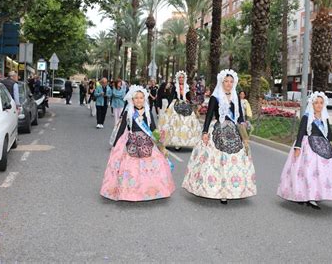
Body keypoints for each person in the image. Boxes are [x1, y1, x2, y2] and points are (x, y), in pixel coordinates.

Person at [182, 69, 257, 204]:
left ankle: (232, 190)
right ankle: (220, 190)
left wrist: (245, 130)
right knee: (217, 161)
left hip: (234, 132)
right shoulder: (215, 98)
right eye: (226, 81)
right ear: (221, 82)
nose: (228, 84)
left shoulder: (236, 98)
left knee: (234, 161)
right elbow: (209, 116)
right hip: (218, 130)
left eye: (231, 82)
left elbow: (240, 117)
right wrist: (205, 132)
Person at [100, 85, 175, 202]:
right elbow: (122, 128)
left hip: (146, 141)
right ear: (132, 99)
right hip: (131, 140)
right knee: (130, 168)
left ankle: (152, 190)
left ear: (144, 99)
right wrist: (115, 145)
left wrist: (158, 137)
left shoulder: (148, 112)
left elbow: (153, 127)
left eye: (141, 98)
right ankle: (129, 192)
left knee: (153, 165)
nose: (139, 100)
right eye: (136, 98)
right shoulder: (128, 112)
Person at [277, 91, 332, 210]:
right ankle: (306, 196)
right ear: (312, 104)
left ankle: (315, 194)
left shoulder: (325, 118)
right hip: (307, 146)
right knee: (307, 172)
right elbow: (300, 132)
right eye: (316, 103)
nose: (319, 105)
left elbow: (329, 135)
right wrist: (298, 147)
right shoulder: (307, 117)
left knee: (321, 172)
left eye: (321, 103)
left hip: (323, 146)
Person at [158, 71, 201, 149]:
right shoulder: (175, 87)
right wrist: (168, 107)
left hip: (186, 105)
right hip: (176, 105)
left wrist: (192, 104)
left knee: (188, 123)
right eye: (180, 77)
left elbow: (189, 97)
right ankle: (176, 142)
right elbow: (171, 96)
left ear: (184, 78)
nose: (181, 79)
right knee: (175, 123)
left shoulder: (187, 87)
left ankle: (187, 140)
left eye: (182, 77)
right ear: (178, 79)